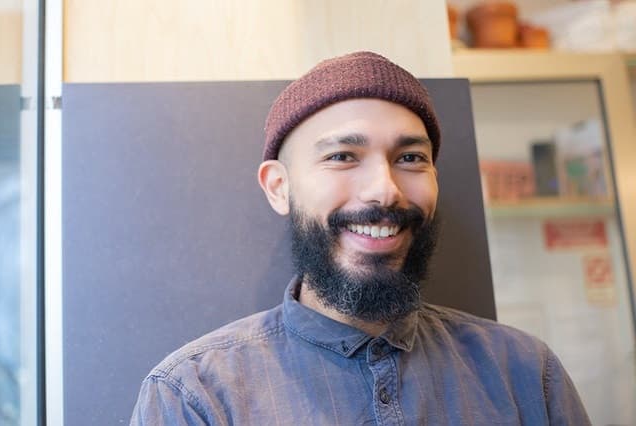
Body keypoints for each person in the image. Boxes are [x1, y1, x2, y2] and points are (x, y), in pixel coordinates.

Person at [130, 51, 590, 425]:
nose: (385, 190)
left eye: (410, 158)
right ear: (279, 187)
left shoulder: (526, 375)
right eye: (342, 156)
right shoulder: (195, 396)